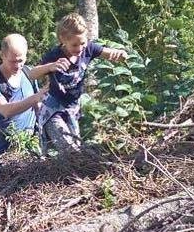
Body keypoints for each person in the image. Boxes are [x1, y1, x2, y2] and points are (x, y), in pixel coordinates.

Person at [36, 13, 129, 153]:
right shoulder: (54, 55)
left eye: (82, 43)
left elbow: (109, 53)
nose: (79, 48)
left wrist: (120, 54)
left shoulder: (88, 49)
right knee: (68, 148)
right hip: (53, 110)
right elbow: (31, 74)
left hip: (72, 108)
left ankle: (65, 174)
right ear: (62, 39)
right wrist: (50, 66)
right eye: (74, 45)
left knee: (75, 148)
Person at [0, 34, 71, 164]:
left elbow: (37, 107)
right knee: (2, 184)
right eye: (13, 61)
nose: (17, 66)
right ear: (2, 55)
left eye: (21, 60)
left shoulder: (27, 74)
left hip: (27, 147)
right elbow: (5, 110)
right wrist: (35, 98)